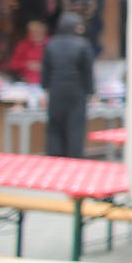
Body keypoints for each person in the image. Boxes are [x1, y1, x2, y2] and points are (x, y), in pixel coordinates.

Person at [41, 12, 95, 158]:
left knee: (55, 126)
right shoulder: (83, 45)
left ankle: (54, 158)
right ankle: (74, 159)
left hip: (56, 90)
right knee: (75, 127)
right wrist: (91, 92)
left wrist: (44, 88)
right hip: (76, 91)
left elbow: (46, 70)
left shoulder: (51, 44)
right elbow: (87, 72)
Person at [7, 19, 48, 85]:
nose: (34, 34)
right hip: (26, 82)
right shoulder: (23, 45)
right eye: (31, 32)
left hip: (46, 81)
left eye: (37, 31)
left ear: (43, 32)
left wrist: (44, 66)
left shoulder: (51, 44)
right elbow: (13, 64)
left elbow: (58, 65)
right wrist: (27, 64)